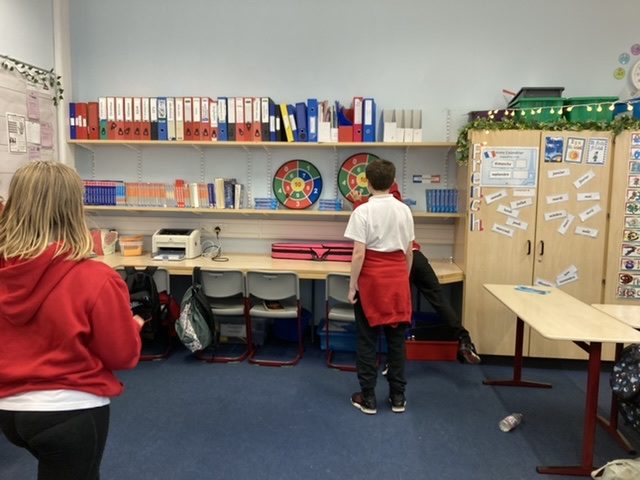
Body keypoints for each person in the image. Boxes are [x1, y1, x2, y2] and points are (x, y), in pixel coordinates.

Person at [0, 161, 144, 480]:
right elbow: (121, 356)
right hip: (69, 411)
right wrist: (132, 328)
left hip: (9, 410)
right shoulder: (95, 278)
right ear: (74, 210)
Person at [353, 184, 481, 365]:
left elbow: (366, 226)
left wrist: (357, 201)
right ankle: (464, 339)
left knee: (392, 314)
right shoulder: (398, 204)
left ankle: (390, 363)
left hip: (394, 263)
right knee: (438, 298)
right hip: (414, 256)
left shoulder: (367, 208)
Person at [344, 159, 414, 415]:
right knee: (396, 341)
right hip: (397, 278)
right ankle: (398, 397)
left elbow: (358, 254)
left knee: (367, 340)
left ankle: (368, 398)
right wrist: (403, 279)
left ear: (368, 182)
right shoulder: (404, 210)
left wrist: (352, 286)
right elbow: (409, 251)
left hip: (371, 280)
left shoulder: (362, 211)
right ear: (392, 182)